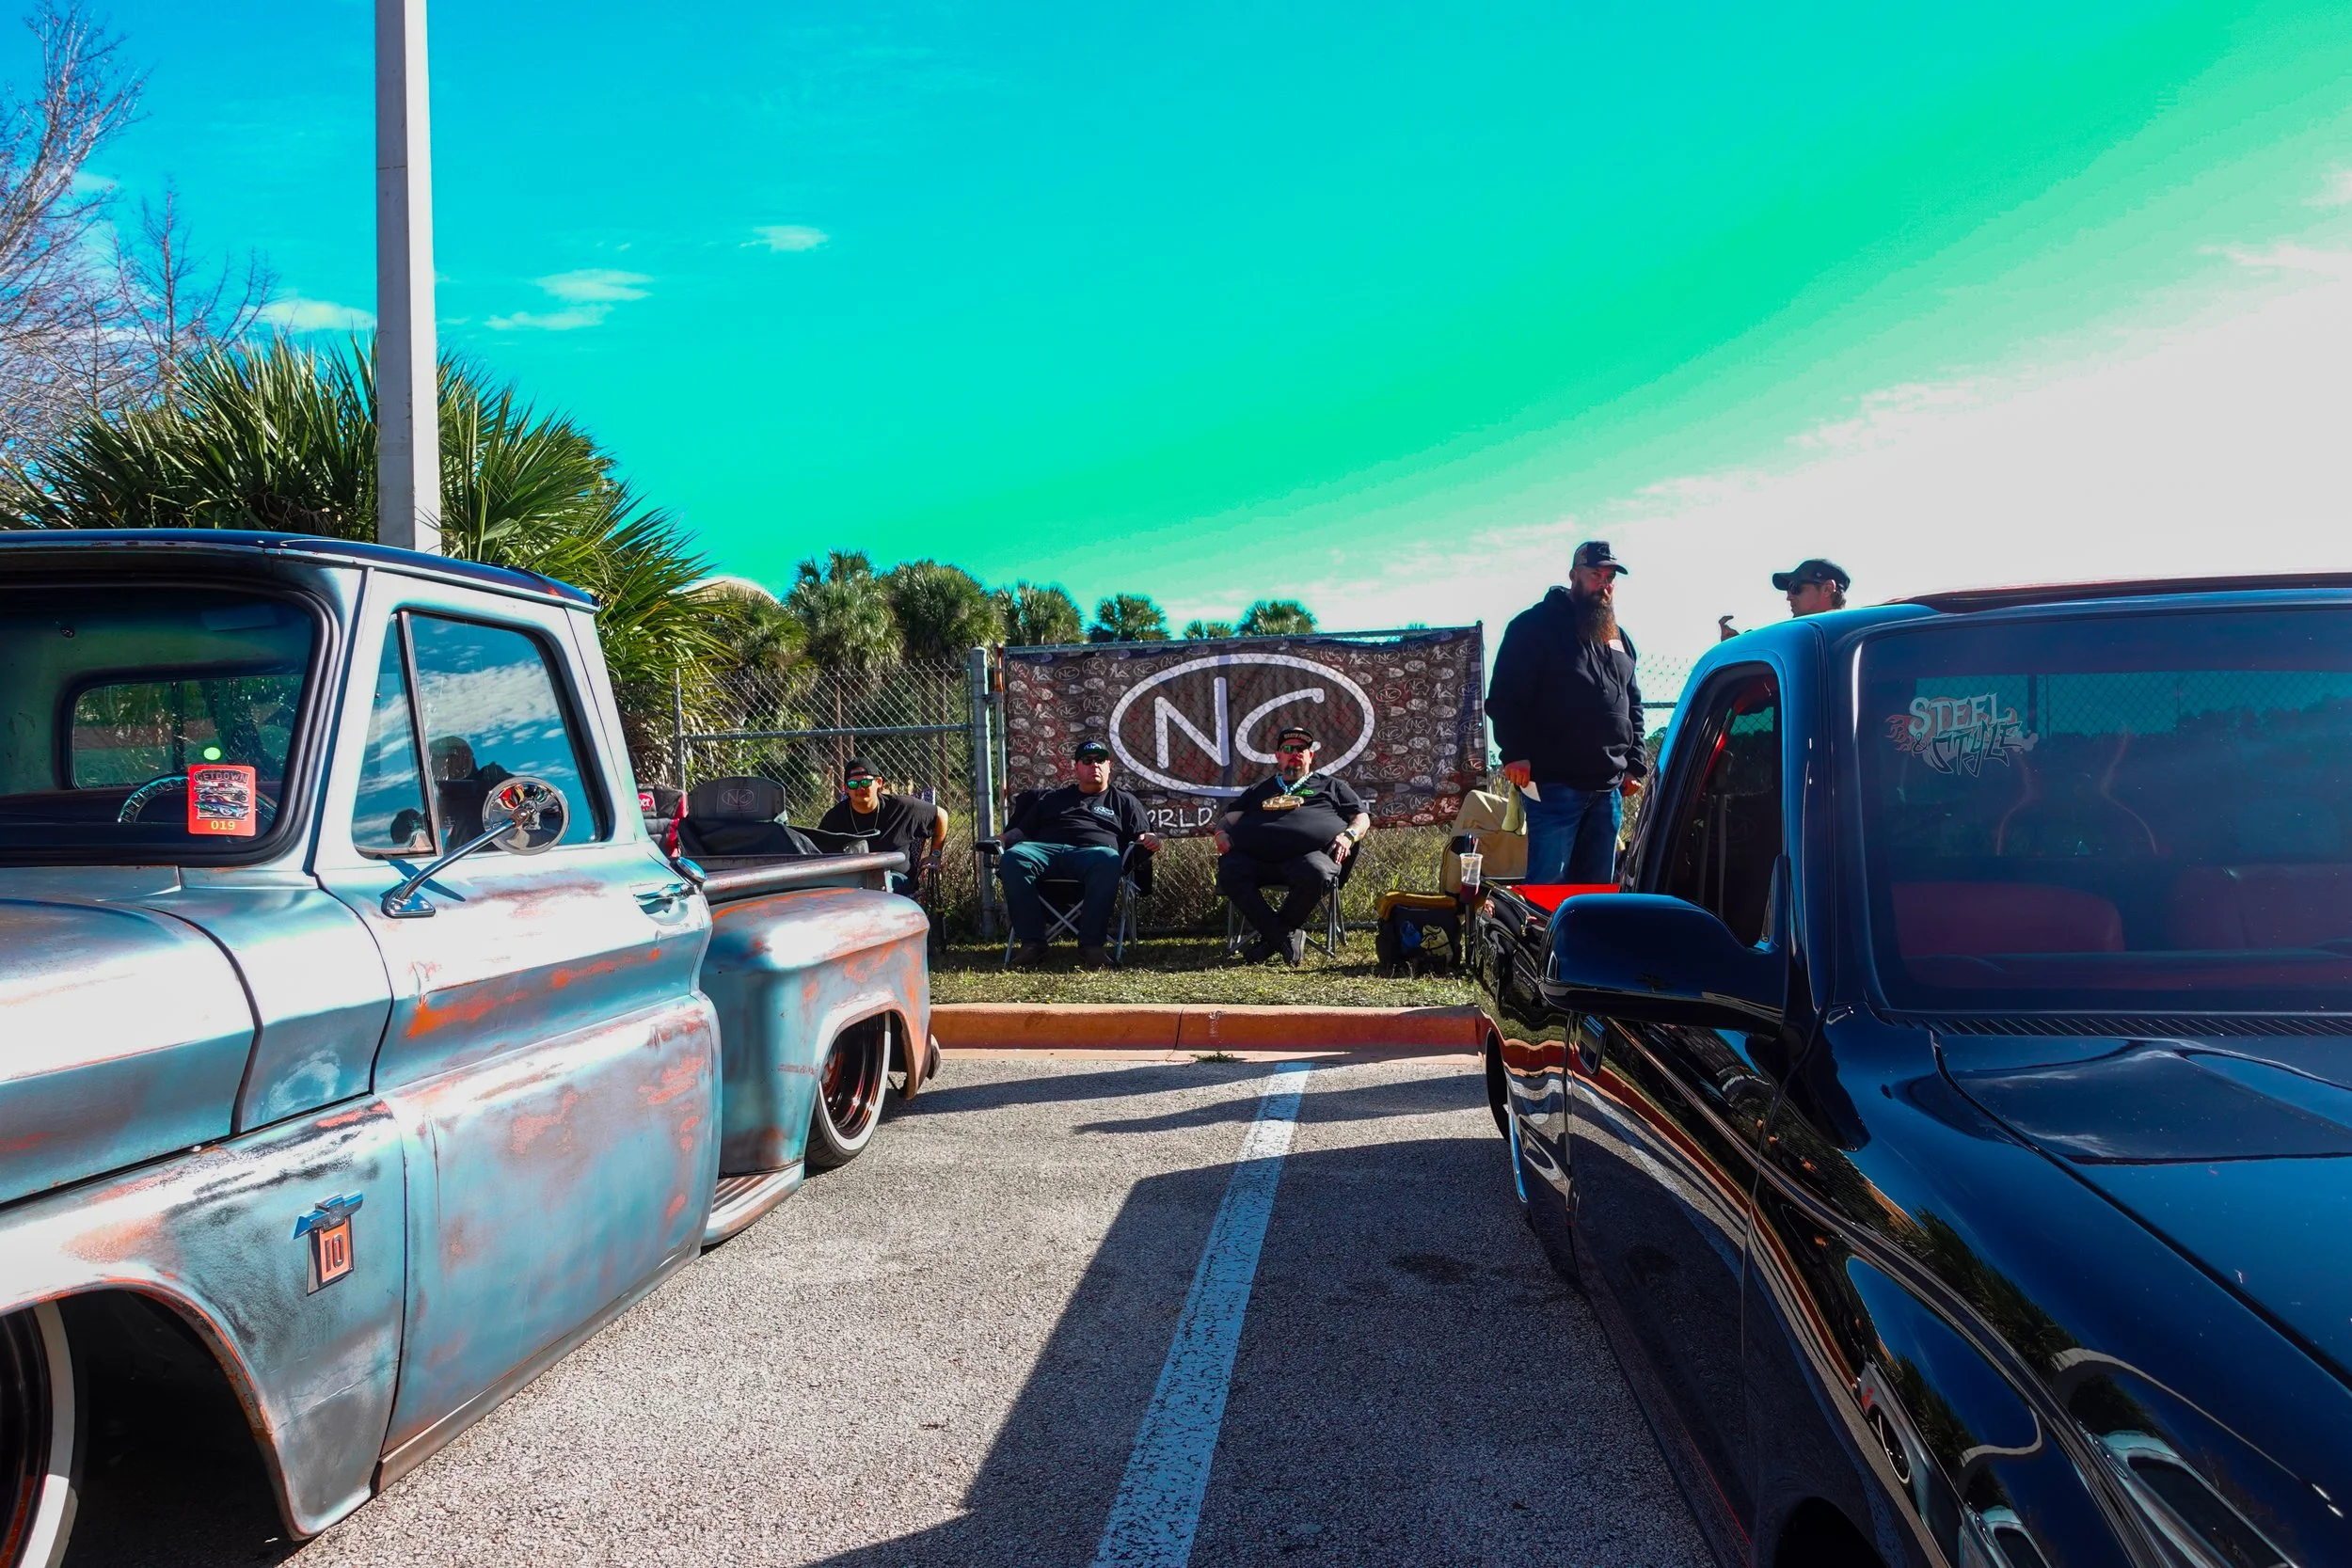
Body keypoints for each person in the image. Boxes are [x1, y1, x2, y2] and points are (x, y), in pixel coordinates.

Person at [1486, 538, 1648, 885]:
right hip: (1554, 784)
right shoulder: (1534, 627)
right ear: (1574, 575)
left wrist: (1634, 763)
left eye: (1610, 577)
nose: (1604, 584)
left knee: (1597, 894)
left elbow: (1633, 704)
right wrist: (1514, 753)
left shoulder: (1618, 637)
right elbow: (1505, 696)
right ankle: (1548, 941)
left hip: (1609, 789)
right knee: (1548, 891)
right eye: (1595, 574)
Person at [996, 739, 1160, 968]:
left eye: (1100, 760)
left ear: (1109, 765)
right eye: (1087, 760)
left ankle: (1092, 946)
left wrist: (1148, 839)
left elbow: (1142, 835)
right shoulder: (1053, 798)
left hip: (1093, 856)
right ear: (1076, 767)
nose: (1094, 765)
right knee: (1014, 857)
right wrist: (1001, 839)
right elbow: (1021, 831)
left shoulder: (1125, 801)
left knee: (1109, 859)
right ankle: (1032, 944)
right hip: (1047, 853)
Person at [1215, 726, 1372, 965]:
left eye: (1302, 749)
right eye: (1288, 748)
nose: (1295, 752)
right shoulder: (1259, 789)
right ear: (1278, 756)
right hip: (1257, 859)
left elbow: (1362, 817)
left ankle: (1272, 940)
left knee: (1316, 872)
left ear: (1311, 756)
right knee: (1230, 871)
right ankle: (1284, 936)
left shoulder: (1332, 786)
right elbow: (1228, 820)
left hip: (1309, 857)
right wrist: (1220, 834)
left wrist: (1349, 835)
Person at [818, 758, 946, 895]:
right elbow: (818, 850)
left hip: (896, 879)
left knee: (872, 889)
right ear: (846, 789)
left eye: (866, 782)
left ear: (879, 783)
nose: (860, 788)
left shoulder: (902, 807)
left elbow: (941, 815)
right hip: (853, 882)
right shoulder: (835, 817)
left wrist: (935, 854)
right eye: (854, 784)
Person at [1774, 558, 1851, 617]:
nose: (1789, 597)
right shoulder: (1801, 635)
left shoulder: (1855, 633)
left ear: (1827, 589)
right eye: (1788, 590)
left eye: (1795, 587)